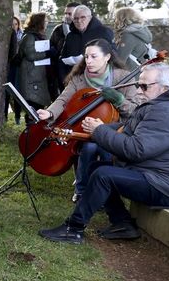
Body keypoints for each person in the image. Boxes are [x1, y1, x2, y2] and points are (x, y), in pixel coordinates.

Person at [39, 63, 169, 244]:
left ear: (165, 88)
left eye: (144, 86)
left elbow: (136, 149)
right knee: (96, 167)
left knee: (104, 175)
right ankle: (122, 223)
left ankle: (73, 229)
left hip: (165, 185)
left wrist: (99, 131)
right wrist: (98, 129)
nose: (139, 91)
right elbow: (128, 128)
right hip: (154, 174)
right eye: (138, 85)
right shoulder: (164, 105)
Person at [37, 38, 146, 202]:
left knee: (105, 149)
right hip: (85, 129)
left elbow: (135, 112)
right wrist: (50, 113)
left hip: (116, 129)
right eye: (86, 56)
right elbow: (63, 100)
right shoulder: (79, 79)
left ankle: (107, 191)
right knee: (89, 147)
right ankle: (81, 190)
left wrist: (119, 100)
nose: (88, 61)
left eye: (94, 57)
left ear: (107, 57)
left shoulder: (123, 78)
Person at [59, 5, 114, 86]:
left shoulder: (103, 32)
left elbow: (112, 54)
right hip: (74, 80)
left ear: (90, 18)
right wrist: (64, 78)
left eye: (83, 17)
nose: (79, 21)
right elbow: (62, 58)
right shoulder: (70, 36)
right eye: (75, 18)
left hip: (97, 80)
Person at [16, 12, 50, 117]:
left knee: (38, 107)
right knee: (33, 108)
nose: (47, 23)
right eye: (45, 21)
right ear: (39, 23)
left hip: (37, 77)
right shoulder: (29, 37)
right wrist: (47, 53)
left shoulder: (37, 36)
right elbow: (30, 55)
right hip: (31, 78)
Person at [49, 2, 80, 98]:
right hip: (61, 71)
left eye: (70, 14)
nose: (67, 16)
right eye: (65, 13)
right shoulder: (58, 29)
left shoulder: (83, 29)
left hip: (78, 71)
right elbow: (51, 46)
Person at [7, 16, 23, 124]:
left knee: (17, 92)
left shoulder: (22, 36)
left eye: (16, 24)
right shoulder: (7, 37)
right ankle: (5, 116)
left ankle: (17, 117)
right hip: (10, 67)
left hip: (19, 67)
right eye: (12, 24)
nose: (14, 26)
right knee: (7, 92)